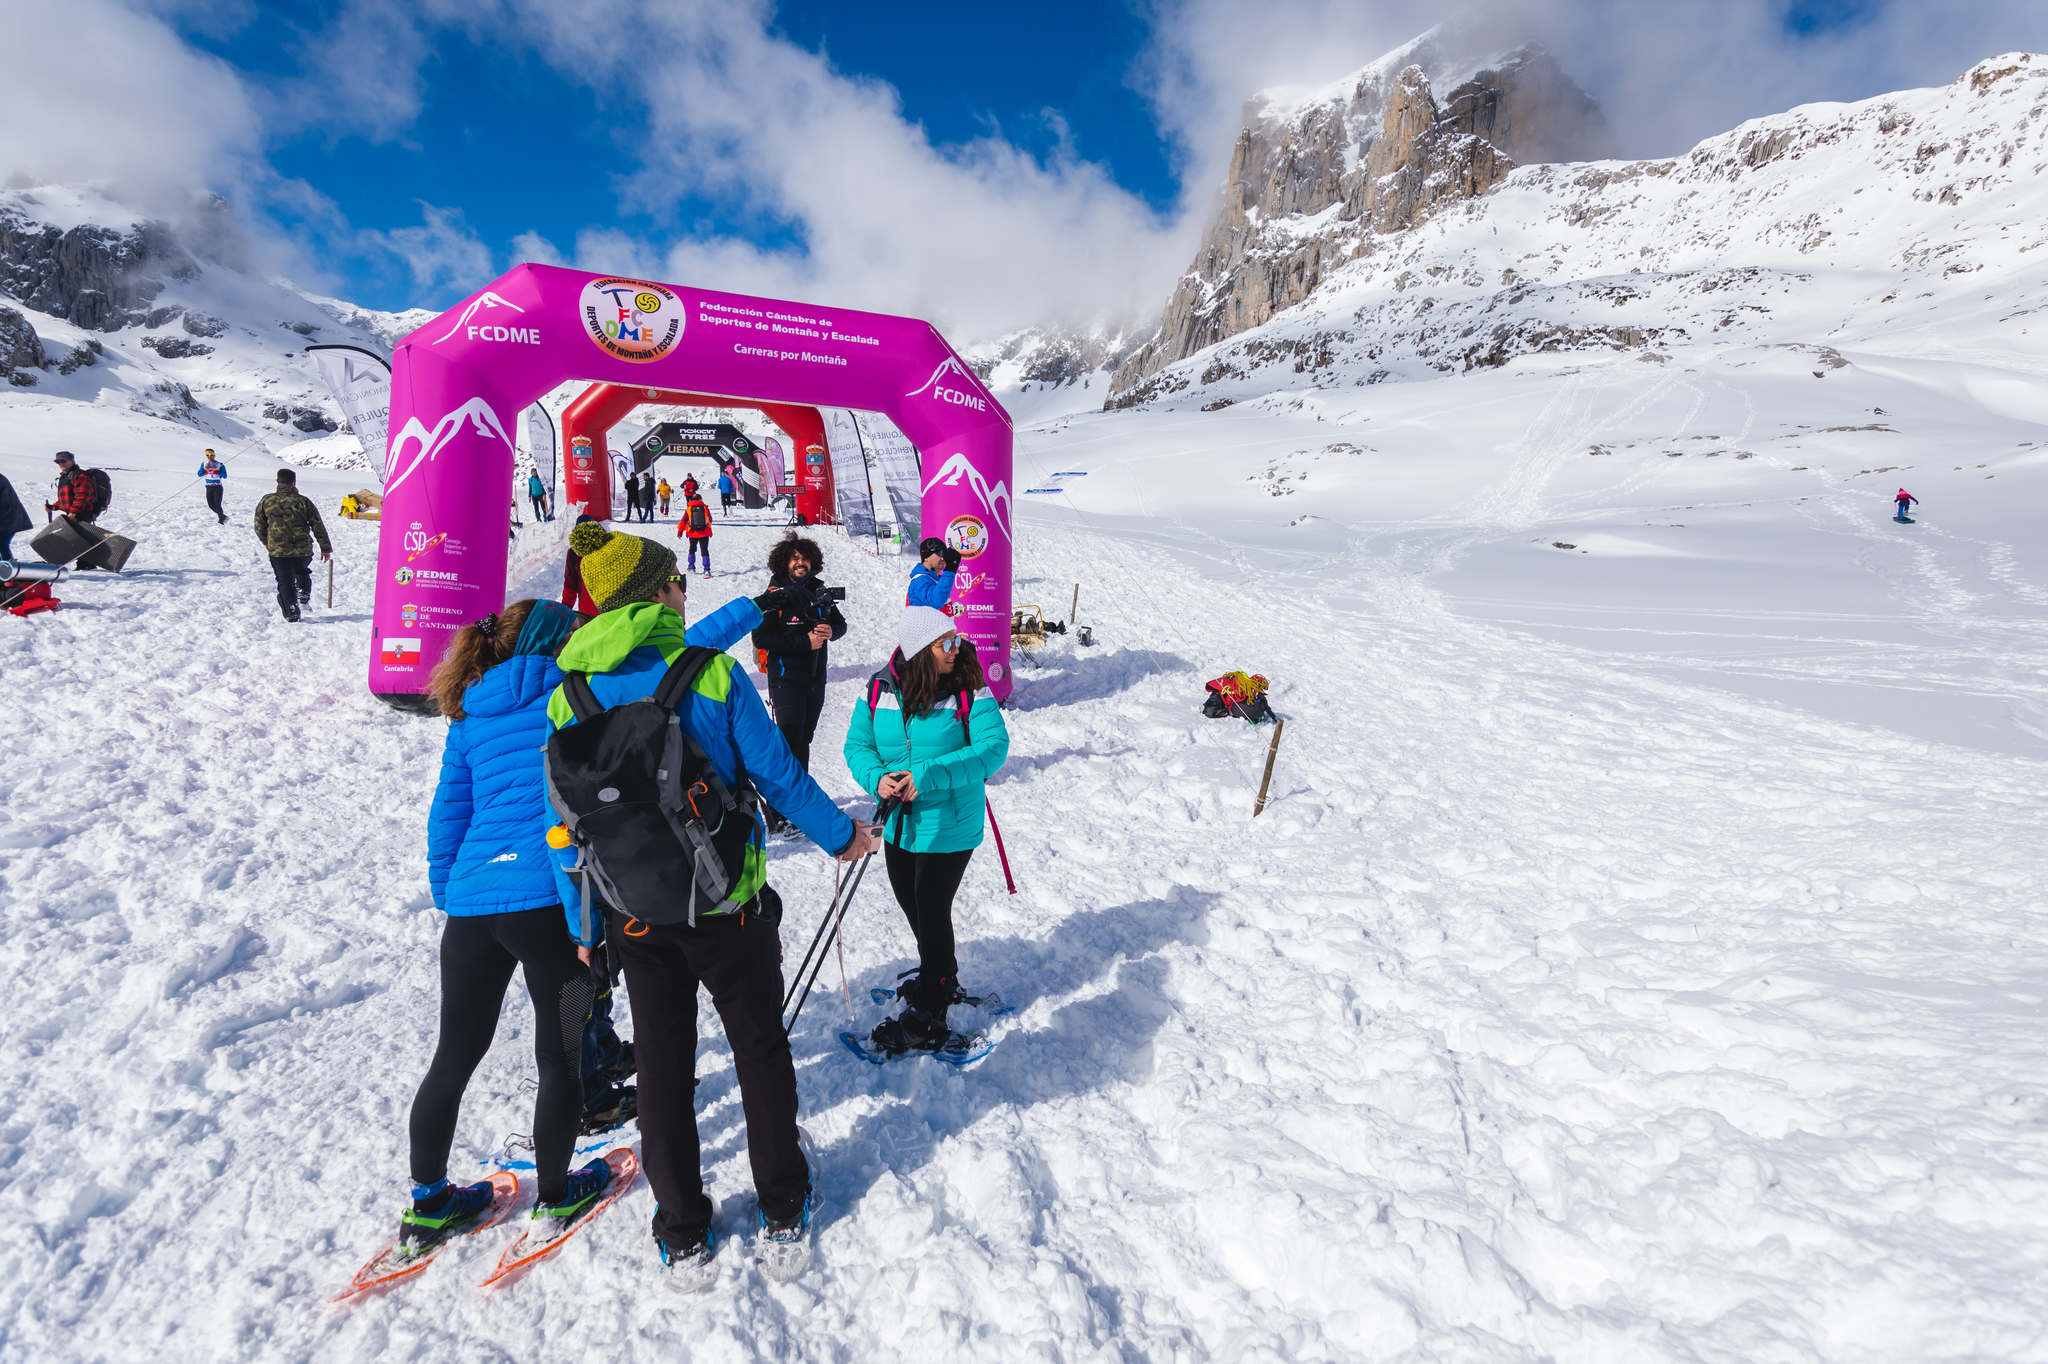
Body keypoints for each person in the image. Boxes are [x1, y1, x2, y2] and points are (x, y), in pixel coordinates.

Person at [542, 522, 874, 1278]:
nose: (682, 590)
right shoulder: (711, 677)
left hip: (632, 913)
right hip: (729, 906)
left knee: (662, 1065)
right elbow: (780, 776)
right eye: (674, 582)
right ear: (660, 591)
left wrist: (584, 923)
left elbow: (565, 821)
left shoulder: (571, 691)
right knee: (758, 1049)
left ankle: (683, 1225)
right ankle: (782, 1203)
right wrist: (839, 837)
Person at [401, 599, 613, 1255]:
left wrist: (453, 893)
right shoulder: (569, 696)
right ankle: (555, 1192)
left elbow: (447, 818)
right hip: (549, 908)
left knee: (453, 1057)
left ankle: (429, 1204)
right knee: (561, 1054)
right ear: (555, 642)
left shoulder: (467, 714)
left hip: (472, 910)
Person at [844, 606, 1010, 1055]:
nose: (956, 649)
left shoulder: (970, 685)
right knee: (911, 903)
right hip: (900, 821)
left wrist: (929, 774)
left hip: (950, 821)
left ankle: (929, 1017)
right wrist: (877, 777)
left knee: (931, 909)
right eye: (945, 644)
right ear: (920, 652)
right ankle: (941, 976)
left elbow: (993, 749)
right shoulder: (880, 689)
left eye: (955, 640)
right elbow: (858, 744)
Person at [751, 534, 847, 832]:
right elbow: (762, 638)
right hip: (785, 679)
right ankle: (784, 811)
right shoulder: (775, 593)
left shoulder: (820, 590)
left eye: (804, 558)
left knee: (803, 741)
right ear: (784, 562)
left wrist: (831, 630)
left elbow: (840, 624)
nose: (800, 562)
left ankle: (793, 805)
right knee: (790, 743)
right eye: (794, 558)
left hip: (815, 677)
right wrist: (804, 641)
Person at [251, 468, 332, 623]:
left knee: (284, 580)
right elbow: (317, 525)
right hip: (303, 550)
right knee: (302, 571)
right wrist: (325, 548)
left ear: (277, 481)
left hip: (278, 550)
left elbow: (259, 525)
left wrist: (266, 542)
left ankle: (291, 610)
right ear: (294, 482)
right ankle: (303, 594)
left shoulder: (267, 501)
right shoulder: (304, 502)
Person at [45, 450, 100, 526]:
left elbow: (82, 496)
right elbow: (66, 499)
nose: (61, 464)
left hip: (82, 515)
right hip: (72, 516)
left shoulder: (80, 476)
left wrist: (73, 512)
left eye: (63, 461)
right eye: (58, 462)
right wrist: (53, 507)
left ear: (71, 461)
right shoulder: (64, 477)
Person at [906, 536, 960, 610]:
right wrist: (950, 570)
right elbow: (935, 602)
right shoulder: (919, 580)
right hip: (922, 621)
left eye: (944, 554)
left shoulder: (937, 580)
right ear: (926, 557)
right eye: (940, 553)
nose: (942, 558)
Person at [677, 491, 714, 576]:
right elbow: (710, 520)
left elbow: (683, 520)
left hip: (692, 533)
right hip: (704, 533)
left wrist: (680, 531)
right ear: (700, 499)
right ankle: (707, 569)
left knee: (692, 549)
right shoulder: (705, 508)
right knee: (704, 550)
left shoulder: (689, 509)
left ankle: (691, 567)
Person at [0, 472, 29, 561]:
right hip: (7, 517)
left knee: (2, 543)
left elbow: (4, 502)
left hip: (8, 518)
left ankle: (7, 568)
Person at [197, 449, 229, 526]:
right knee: (211, 505)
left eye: (211, 455)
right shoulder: (204, 464)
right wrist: (204, 470)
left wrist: (218, 472)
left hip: (217, 487)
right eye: (207, 455)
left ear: (214, 455)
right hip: (209, 487)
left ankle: (221, 520)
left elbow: (225, 475)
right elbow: (199, 474)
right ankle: (223, 516)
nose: (209, 457)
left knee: (217, 505)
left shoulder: (220, 464)